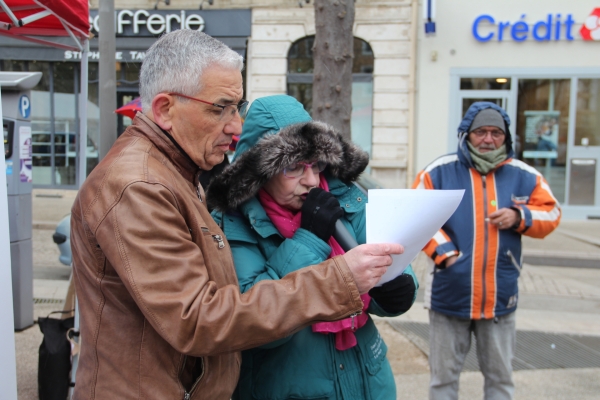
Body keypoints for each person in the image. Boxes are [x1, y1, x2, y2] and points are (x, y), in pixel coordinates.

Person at [69, 30, 402, 400]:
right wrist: (337, 280)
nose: (236, 126)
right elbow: (199, 320)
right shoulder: (140, 185)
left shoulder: (177, 170)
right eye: (220, 107)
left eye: (236, 107)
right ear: (165, 109)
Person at [206, 94, 419, 400]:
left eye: (316, 164)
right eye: (293, 167)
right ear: (261, 172)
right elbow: (252, 323)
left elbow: (390, 257)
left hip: (367, 382)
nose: (311, 180)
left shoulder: (345, 200)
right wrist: (309, 238)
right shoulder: (233, 224)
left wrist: (397, 289)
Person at [412, 102, 561, 400]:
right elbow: (416, 215)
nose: (488, 139)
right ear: (466, 135)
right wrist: (445, 254)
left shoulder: (525, 175)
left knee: (500, 381)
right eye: (481, 132)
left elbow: (552, 213)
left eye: (496, 133)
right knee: (442, 381)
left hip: (499, 298)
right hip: (449, 296)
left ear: (506, 138)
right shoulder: (438, 172)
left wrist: (520, 217)